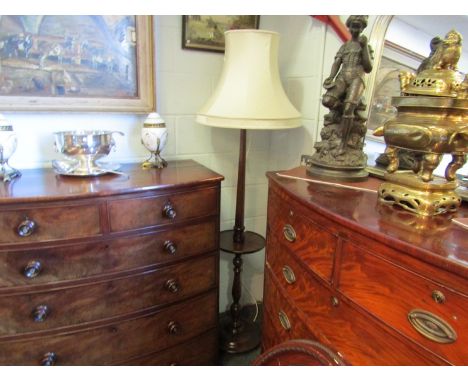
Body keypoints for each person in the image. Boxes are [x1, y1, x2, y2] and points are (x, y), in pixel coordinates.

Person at [322, 15, 373, 154]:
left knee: (349, 107)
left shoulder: (366, 46)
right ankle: (341, 114)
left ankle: (343, 144)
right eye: (353, 25)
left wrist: (364, 48)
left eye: (359, 26)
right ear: (349, 27)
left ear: (362, 28)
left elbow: (368, 68)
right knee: (327, 100)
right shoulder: (345, 46)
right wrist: (331, 77)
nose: (355, 28)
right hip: (343, 76)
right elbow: (337, 62)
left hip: (357, 77)